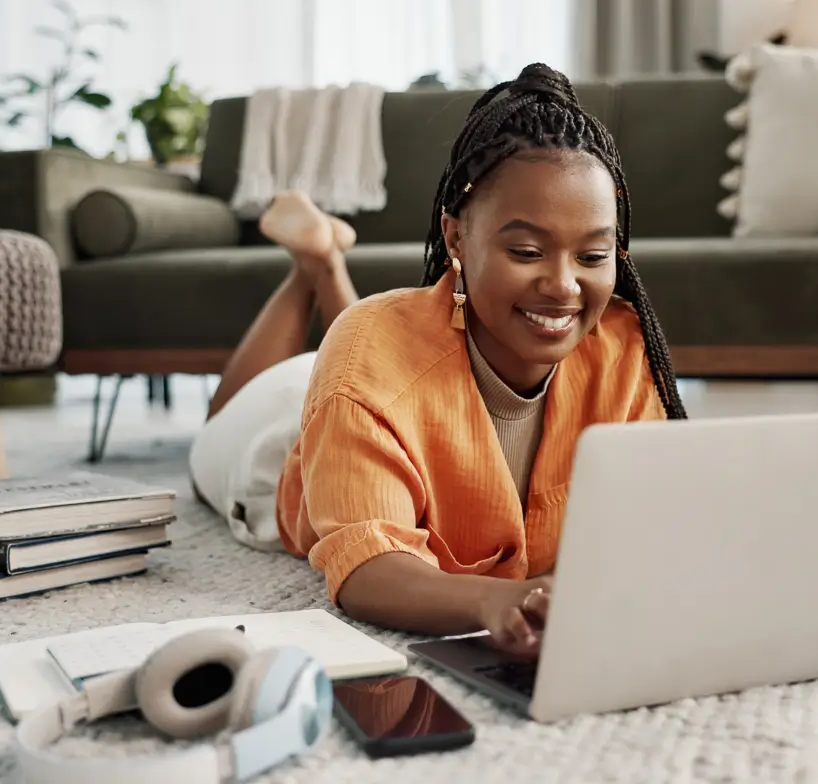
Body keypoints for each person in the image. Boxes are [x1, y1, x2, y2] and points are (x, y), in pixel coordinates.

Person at [189, 62, 686, 656]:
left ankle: (325, 262)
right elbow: (368, 567)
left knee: (363, 349)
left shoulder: (622, 347)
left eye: (593, 254)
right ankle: (313, 267)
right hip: (273, 447)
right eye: (527, 250)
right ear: (455, 238)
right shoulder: (366, 360)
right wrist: (490, 598)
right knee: (233, 410)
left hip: (375, 381)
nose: (563, 286)